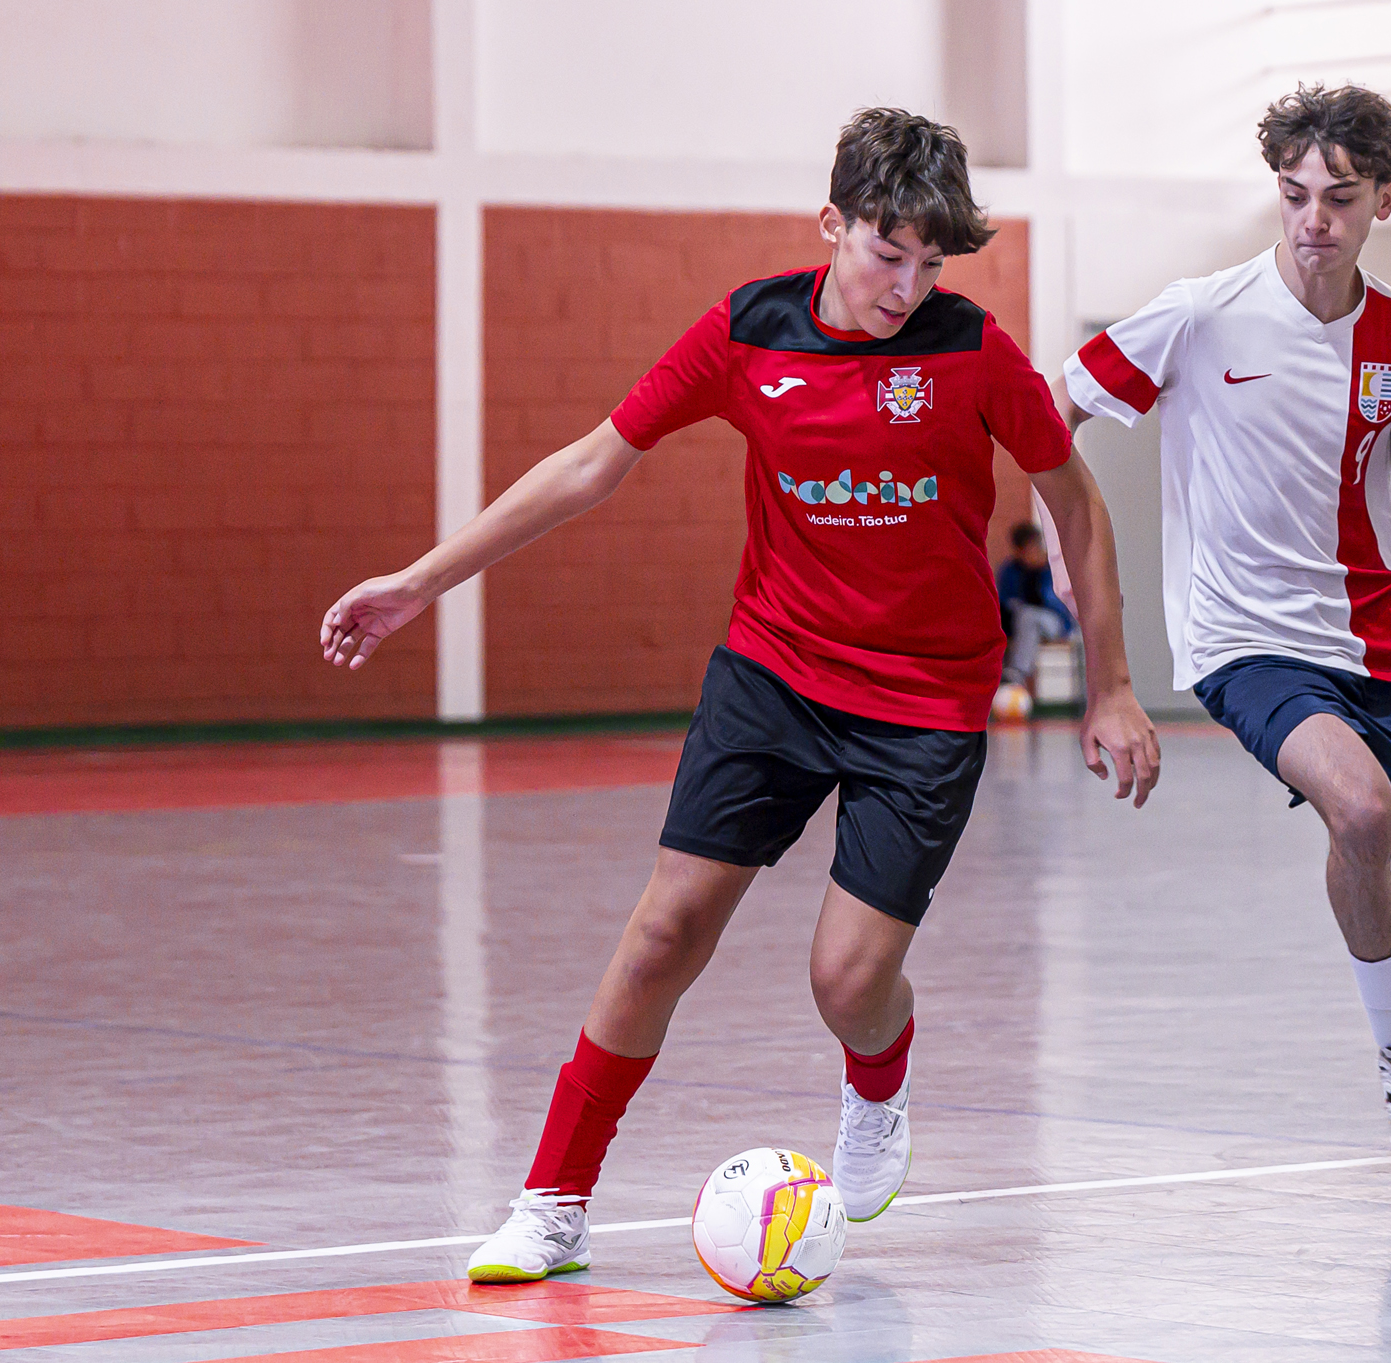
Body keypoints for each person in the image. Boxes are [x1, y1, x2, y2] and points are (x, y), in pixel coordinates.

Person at [320, 109, 1161, 1282]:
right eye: (886, 251)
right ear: (831, 224)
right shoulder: (744, 330)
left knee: (845, 978)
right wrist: (421, 583)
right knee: (665, 928)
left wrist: (1109, 686)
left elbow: (1073, 500)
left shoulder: (970, 352)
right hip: (773, 672)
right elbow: (588, 464)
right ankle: (553, 1200)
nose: (906, 285)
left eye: (931, 262)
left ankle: (878, 1084)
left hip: (922, 700)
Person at [1060, 83, 1391, 1171]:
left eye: (1338, 199)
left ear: (1383, 203)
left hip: (1374, 639)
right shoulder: (1199, 311)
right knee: (1354, 809)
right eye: (1293, 194)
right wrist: (1070, 539)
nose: (1312, 218)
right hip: (1241, 639)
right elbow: (1053, 411)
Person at [996, 521, 1075, 691]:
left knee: (1028, 615)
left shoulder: (1051, 568)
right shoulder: (1011, 569)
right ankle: (997, 677)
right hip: (1021, 624)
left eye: (1035, 547)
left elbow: (1058, 604)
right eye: (1027, 549)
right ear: (1019, 551)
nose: (1032, 552)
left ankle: (1018, 672)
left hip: (1054, 622)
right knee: (1021, 618)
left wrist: (1039, 573)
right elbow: (1004, 601)